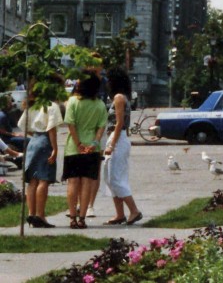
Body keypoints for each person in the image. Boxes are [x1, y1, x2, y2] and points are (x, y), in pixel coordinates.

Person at [64, 74, 106, 229]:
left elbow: (70, 124)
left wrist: (78, 143)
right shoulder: (100, 105)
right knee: (87, 182)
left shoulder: (73, 102)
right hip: (92, 149)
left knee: (73, 182)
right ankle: (82, 217)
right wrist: (94, 143)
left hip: (73, 149)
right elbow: (101, 127)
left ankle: (72, 217)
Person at [102, 69, 142, 225]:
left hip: (117, 138)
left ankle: (134, 210)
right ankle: (120, 214)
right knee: (110, 177)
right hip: (117, 138)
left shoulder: (119, 98)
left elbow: (119, 123)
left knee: (115, 178)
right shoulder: (122, 97)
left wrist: (111, 145)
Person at [19, 83, 62, 229]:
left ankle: (31, 213)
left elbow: (22, 125)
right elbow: (51, 129)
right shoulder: (51, 106)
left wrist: (35, 135)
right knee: (44, 178)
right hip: (45, 142)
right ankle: (40, 215)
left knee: (33, 179)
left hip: (33, 141)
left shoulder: (32, 106)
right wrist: (55, 149)